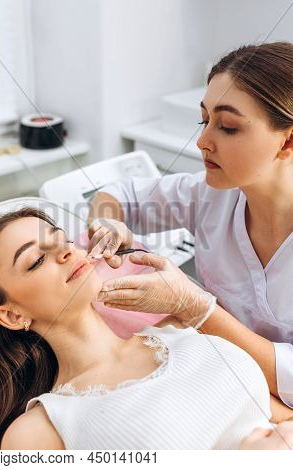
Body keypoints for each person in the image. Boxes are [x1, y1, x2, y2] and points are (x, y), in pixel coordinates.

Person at [0, 208, 293, 450]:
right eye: (36, 260)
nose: (64, 252)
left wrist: (190, 304)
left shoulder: (180, 328)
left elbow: (281, 414)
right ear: (13, 316)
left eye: (61, 241)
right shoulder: (41, 431)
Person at [87, 42, 293, 408]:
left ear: (287, 140)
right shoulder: (214, 196)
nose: (202, 141)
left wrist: (196, 307)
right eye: (205, 120)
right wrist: (107, 223)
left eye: (227, 127)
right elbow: (118, 196)